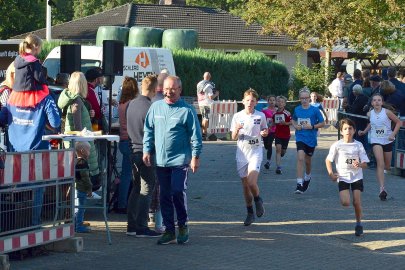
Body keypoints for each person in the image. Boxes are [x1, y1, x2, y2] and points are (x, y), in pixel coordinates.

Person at [3, 34, 61, 227]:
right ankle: (33, 225)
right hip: (36, 152)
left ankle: (14, 224)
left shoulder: (11, 97)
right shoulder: (44, 97)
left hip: (14, 153)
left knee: (15, 189)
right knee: (37, 188)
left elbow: (3, 119)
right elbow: (55, 122)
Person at [143, 75, 202, 245]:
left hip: (180, 160)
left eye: (173, 89)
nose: (169, 92)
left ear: (180, 90)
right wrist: (147, 149)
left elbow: (196, 136)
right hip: (161, 160)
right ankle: (169, 231)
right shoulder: (156, 107)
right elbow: (148, 130)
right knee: (164, 196)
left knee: (177, 191)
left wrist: (195, 156)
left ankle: (182, 225)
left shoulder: (187, 110)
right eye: (166, 89)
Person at [126, 74, 160, 237]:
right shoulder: (151, 107)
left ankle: (132, 226)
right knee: (147, 189)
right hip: (146, 152)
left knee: (136, 188)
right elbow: (155, 132)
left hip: (133, 150)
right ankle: (141, 226)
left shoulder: (131, 104)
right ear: (155, 89)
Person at [325, 118, 369, 236]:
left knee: (356, 202)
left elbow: (365, 164)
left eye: (350, 128)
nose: (348, 130)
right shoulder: (337, 145)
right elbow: (328, 160)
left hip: (356, 176)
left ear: (354, 130)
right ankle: (358, 214)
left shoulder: (358, 145)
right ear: (341, 131)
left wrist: (359, 164)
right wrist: (331, 174)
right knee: (345, 203)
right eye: (345, 129)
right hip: (343, 177)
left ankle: (359, 223)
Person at [230, 88, 267, 226]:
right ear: (243, 101)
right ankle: (250, 213)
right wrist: (237, 130)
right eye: (247, 100)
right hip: (242, 153)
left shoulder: (260, 116)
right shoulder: (237, 116)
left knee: (252, 182)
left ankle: (258, 200)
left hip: (256, 152)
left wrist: (264, 133)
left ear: (256, 102)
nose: (250, 103)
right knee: (245, 186)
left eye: (252, 101)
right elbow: (233, 137)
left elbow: (265, 130)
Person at [58, 72, 100, 181]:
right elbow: (78, 127)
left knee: (78, 179)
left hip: (75, 145)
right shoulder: (76, 101)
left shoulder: (74, 100)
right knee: (81, 179)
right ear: (82, 84)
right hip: (80, 147)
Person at [358, 93, 401, 200]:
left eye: (379, 100)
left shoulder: (387, 112)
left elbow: (399, 122)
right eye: (375, 100)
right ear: (372, 103)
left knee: (386, 166)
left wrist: (392, 134)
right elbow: (371, 124)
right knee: (380, 163)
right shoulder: (369, 114)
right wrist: (364, 131)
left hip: (387, 140)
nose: (377, 102)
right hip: (375, 140)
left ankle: (385, 174)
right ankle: (382, 188)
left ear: (382, 102)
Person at [292, 87, 325, 194]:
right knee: (300, 158)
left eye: (306, 98)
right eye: (302, 98)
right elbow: (293, 119)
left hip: (311, 138)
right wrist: (295, 125)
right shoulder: (297, 109)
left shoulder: (315, 110)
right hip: (300, 137)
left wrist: (312, 127)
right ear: (300, 99)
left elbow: (323, 123)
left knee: (308, 161)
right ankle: (299, 183)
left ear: (309, 98)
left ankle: (308, 177)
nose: (304, 100)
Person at [116, 76, 139, 214]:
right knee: (130, 175)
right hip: (131, 141)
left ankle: (122, 202)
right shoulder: (132, 104)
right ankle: (124, 203)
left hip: (123, 139)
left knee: (125, 174)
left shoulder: (121, 104)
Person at [74, 141, 93, 233]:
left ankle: (75, 224)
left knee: (76, 207)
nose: (90, 152)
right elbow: (86, 178)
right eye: (89, 150)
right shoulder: (83, 163)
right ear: (83, 151)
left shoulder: (75, 161)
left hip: (75, 187)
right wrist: (89, 189)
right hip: (82, 188)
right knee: (81, 208)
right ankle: (79, 226)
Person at [273, 95, 292, 175]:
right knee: (278, 149)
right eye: (279, 102)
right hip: (277, 134)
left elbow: (291, 122)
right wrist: (270, 125)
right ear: (276, 103)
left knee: (282, 152)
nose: (280, 103)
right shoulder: (274, 113)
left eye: (282, 102)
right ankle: (278, 167)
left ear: (284, 104)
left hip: (286, 135)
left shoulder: (287, 113)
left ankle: (282, 153)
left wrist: (285, 123)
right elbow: (273, 122)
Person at [196, 72, 219, 140]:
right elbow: (211, 97)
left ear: (203, 76)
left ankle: (204, 133)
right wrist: (216, 94)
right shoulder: (208, 85)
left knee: (204, 117)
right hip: (207, 103)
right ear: (209, 77)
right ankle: (204, 134)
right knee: (206, 118)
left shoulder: (199, 84)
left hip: (200, 102)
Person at [262, 95, 277, 169]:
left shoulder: (277, 110)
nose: (272, 102)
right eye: (270, 100)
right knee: (266, 145)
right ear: (268, 101)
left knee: (269, 144)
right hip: (265, 130)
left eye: (273, 100)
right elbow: (262, 120)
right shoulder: (264, 110)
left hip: (274, 130)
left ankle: (268, 161)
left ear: (275, 102)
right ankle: (268, 158)